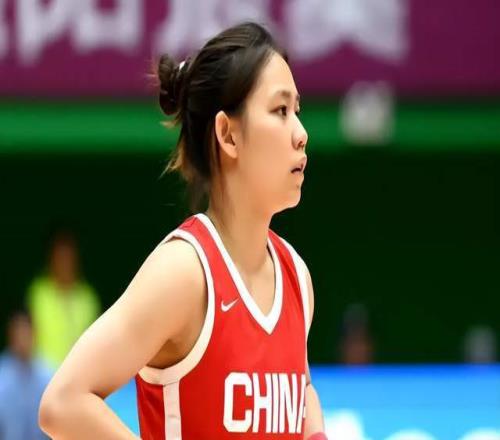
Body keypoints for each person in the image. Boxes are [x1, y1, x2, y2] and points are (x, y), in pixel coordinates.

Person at [39, 22, 327, 440]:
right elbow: (63, 403)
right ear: (228, 134)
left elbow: (302, 392)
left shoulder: (296, 276)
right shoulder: (185, 273)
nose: (301, 134)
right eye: (280, 111)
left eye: (297, 111)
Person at [26, 225, 100, 369]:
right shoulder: (38, 292)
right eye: (60, 257)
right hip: (42, 373)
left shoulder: (89, 297)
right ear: (51, 259)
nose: (64, 263)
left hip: (81, 372)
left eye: (68, 257)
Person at [0, 310, 52, 439]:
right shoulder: (2, 375)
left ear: (34, 334)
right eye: (18, 334)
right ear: (11, 336)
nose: (22, 340)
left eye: (26, 333)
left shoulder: (48, 374)